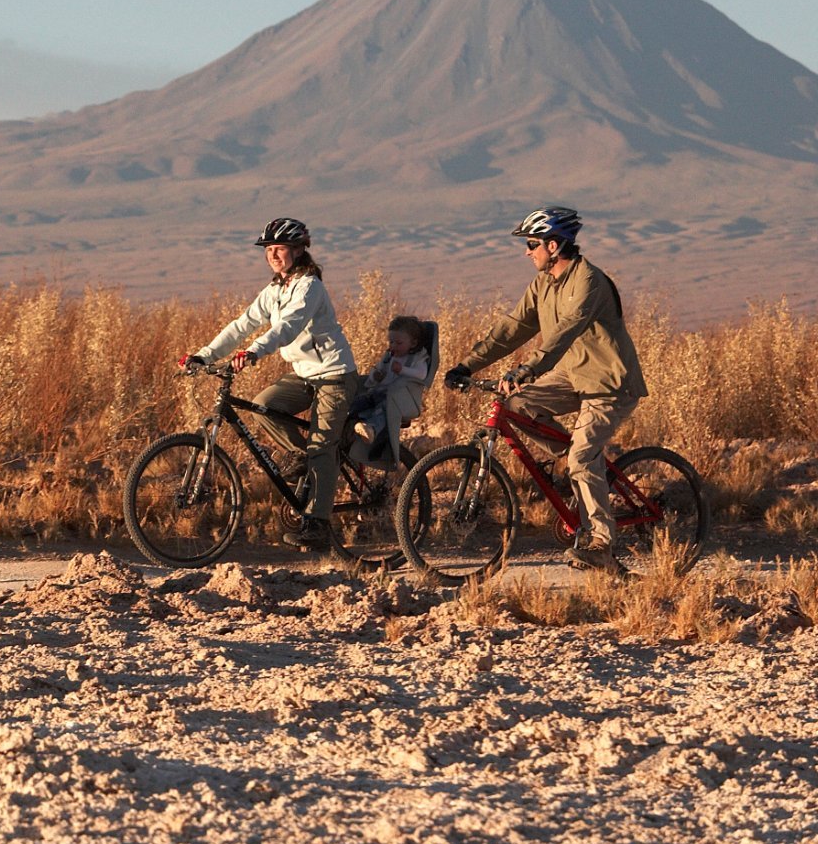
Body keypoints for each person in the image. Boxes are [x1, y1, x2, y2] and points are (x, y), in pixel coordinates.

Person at [444, 206, 647, 574]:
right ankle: (578, 463)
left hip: (609, 382)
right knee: (517, 404)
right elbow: (514, 326)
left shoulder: (589, 281)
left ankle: (600, 542)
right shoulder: (544, 283)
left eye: (532, 244)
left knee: (582, 459)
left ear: (554, 246)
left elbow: (568, 328)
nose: (527, 251)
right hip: (572, 376)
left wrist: (530, 367)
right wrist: (467, 365)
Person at [182, 217, 359, 550]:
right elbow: (241, 324)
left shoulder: (309, 286)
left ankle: (317, 524)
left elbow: (288, 328)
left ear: (298, 251)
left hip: (334, 374)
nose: (273, 256)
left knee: (321, 446)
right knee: (265, 407)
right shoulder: (276, 289)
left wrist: (254, 352)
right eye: (269, 250)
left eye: (280, 249)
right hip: (305, 374)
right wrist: (204, 356)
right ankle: (301, 457)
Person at [352, 314, 431, 466]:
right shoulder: (389, 356)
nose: (393, 346)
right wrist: (376, 376)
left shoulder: (417, 358)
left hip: (399, 399)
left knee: (383, 410)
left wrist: (403, 370)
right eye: (391, 342)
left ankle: (372, 429)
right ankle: (348, 418)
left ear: (413, 343)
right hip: (380, 392)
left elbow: (421, 374)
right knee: (360, 401)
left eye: (398, 343)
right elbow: (377, 373)